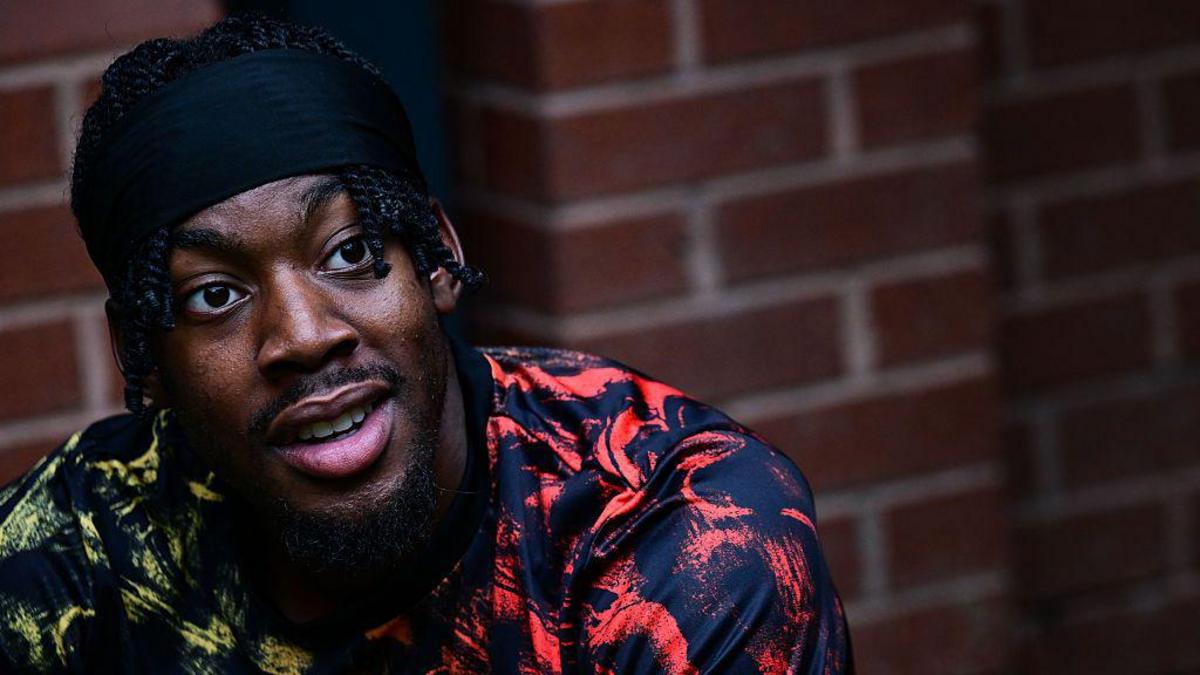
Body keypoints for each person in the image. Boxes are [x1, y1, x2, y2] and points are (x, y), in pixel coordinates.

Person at [0, 15, 851, 674]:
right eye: (215, 295)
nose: (304, 336)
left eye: (349, 252)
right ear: (144, 355)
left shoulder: (677, 544)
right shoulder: (73, 560)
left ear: (438, 258)